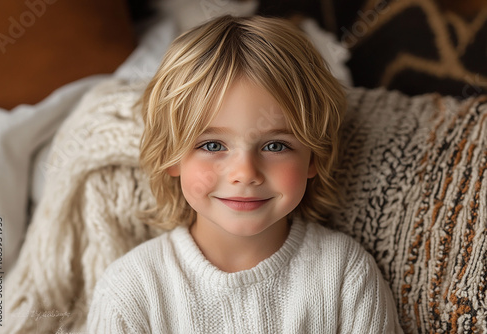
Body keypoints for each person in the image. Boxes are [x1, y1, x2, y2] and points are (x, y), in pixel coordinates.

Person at [87, 15, 403, 333]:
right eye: (212, 145)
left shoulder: (344, 273)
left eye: (276, 145)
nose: (245, 174)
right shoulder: (130, 290)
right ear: (172, 155)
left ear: (313, 157)